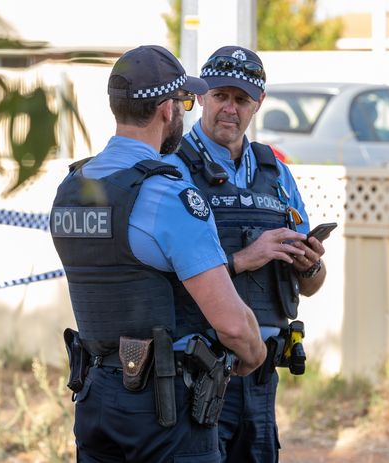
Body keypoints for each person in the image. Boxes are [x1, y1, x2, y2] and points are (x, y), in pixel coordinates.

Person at [50, 45, 266, 462]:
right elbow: (233, 324)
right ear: (168, 109)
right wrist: (253, 356)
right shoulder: (168, 196)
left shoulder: (72, 189)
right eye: (185, 102)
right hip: (162, 411)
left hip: (94, 399)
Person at [164, 45, 327, 463]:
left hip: (260, 375)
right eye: (221, 96)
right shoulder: (172, 167)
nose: (230, 109)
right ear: (201, 96)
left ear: (259, 103)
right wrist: (245, 257)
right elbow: (158, 274)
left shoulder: (275, 172)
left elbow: (310, 287)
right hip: (195, 372)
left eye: (242, 99)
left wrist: (310, 265)